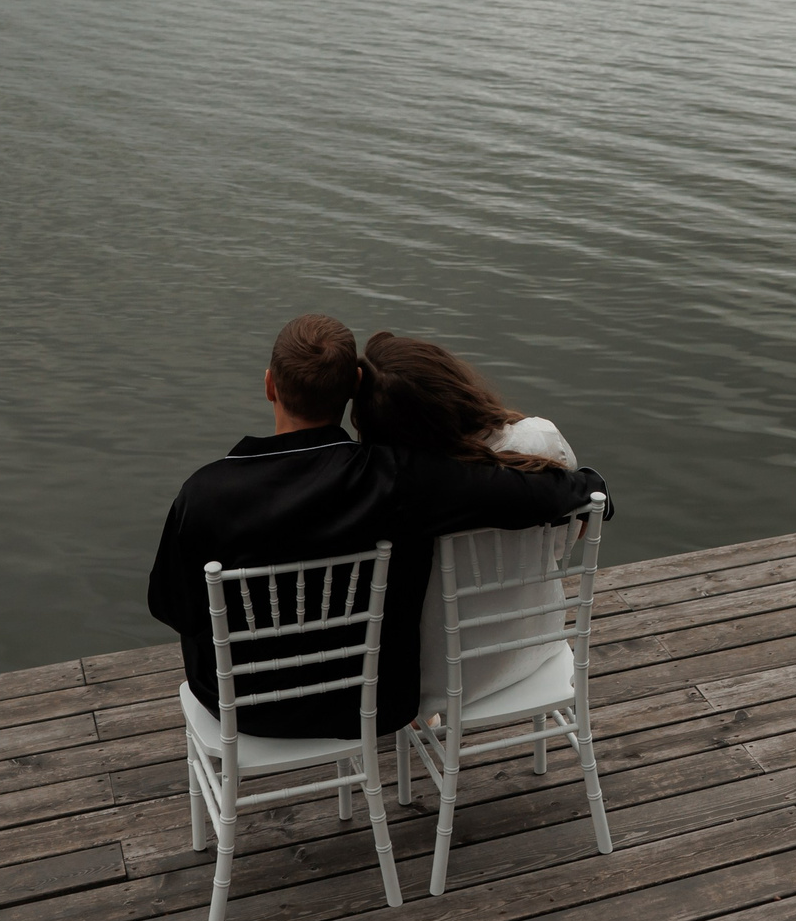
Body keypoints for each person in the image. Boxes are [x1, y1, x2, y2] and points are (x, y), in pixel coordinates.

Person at [147, 314, 608, 740]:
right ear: (354, 387)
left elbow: (172, 608)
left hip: (235, 707)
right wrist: (590, 489)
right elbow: (517, 493)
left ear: (270, 386)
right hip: (368, 705)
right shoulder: (393, 478)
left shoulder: (203, 493)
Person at [351, 332, 582, 710]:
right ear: (453, 382)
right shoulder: (541, 442)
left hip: (434, 679)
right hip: (538, 645)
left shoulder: (392, 489)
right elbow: (561, 544)